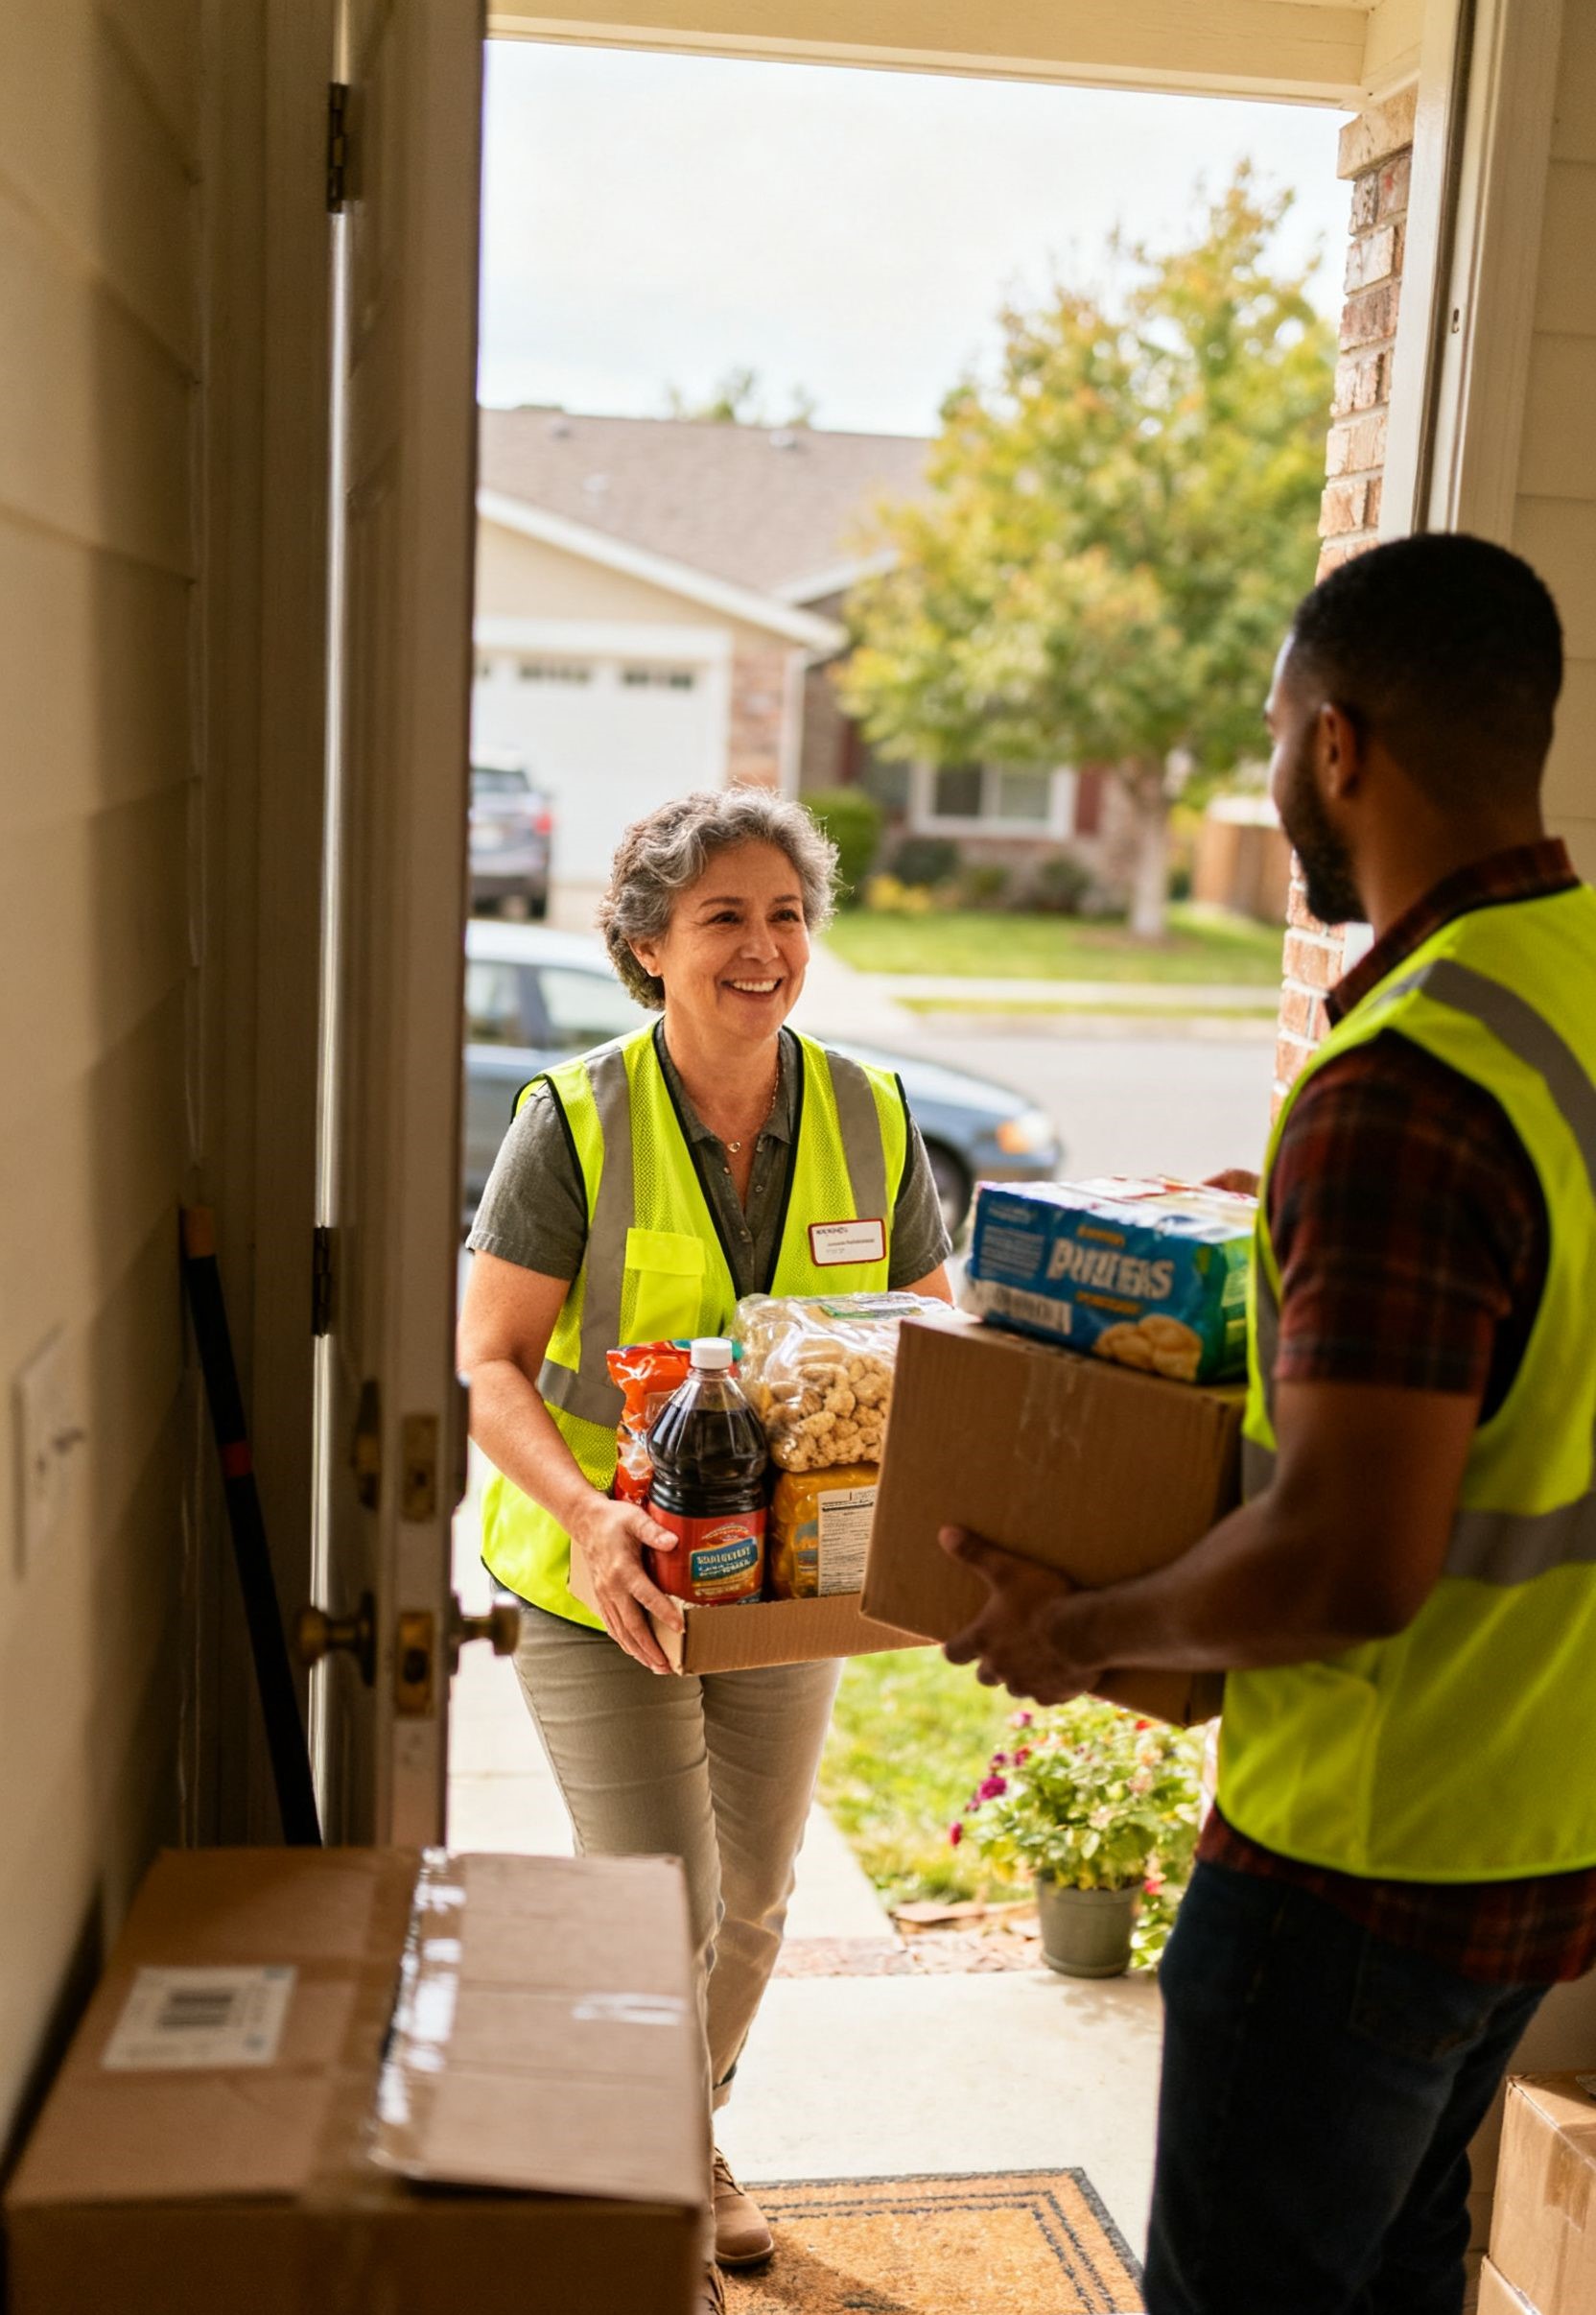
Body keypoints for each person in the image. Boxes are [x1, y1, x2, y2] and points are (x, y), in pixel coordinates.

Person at [939, 533, 1596, 2315]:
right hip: (1548, 1827)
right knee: (1400, 2275)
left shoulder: (1407, 1083)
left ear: (1341, 746)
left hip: (1361, 1862)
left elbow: (1347, 1556)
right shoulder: (1571, 992)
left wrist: (1076, 1631)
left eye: (1277, 719)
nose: (1274, 757)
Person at [458, 788, 952, 2313]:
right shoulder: (575, 1120)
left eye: (788, 914)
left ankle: (689, 2137)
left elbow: (937, 1335)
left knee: (755, 1897)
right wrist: (593, 1513)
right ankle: (652, 2185)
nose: (765, 946)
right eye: (725, 916)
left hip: (790, 1586)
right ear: (647, 944)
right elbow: (487, 1361)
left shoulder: (871, 1113)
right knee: (658, 1897)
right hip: (601, 1578)